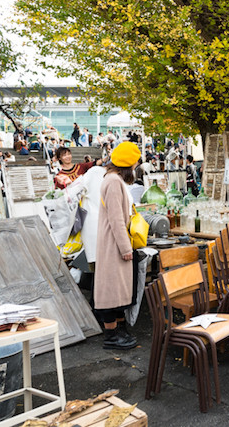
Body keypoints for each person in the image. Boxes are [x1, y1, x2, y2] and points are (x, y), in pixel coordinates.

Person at [95, 141, 141, 350]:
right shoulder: (114, 182)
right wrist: (125, 248)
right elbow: (116, 219)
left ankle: (118, 330)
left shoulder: (111, 178)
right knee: (111, 289)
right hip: (114, 242)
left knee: (117, 287)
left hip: (112, 240)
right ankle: (111, 335)